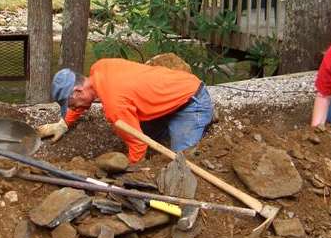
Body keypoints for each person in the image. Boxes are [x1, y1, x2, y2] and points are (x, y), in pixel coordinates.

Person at [38, 58, 214, 164]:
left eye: (71, 104)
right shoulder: (99, 68)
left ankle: (202, 117)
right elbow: (81, 104)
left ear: (78, 91)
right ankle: (181, 120)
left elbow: (139, 145)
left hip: (191, 102)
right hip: (170, 93)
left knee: (180, 164)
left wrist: (130, 171)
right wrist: (64, 123)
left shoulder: (115, 105)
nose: (73, 109)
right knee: (142, 130)